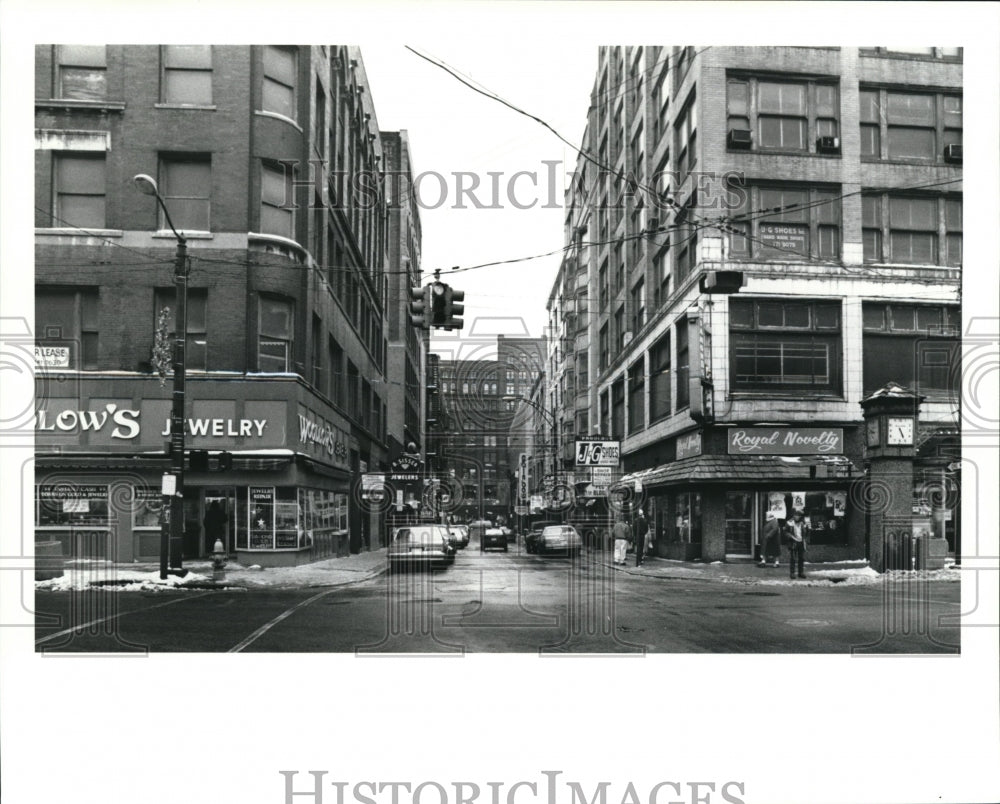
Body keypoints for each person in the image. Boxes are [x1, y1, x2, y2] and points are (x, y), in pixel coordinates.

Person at [784, 511, 808, 579]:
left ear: (800, 516)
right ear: (793, 516)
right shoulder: (789, 522)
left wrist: (806, 538)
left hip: (801, 542)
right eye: (795, 515)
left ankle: (801, 572)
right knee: (793, 558)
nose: (796, 517)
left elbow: (806, 532)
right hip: (793, 542)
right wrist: (789, 536)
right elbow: (785, 532)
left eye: (798, 515)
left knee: (801, 558)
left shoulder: (803, 523)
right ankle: (792, 573)